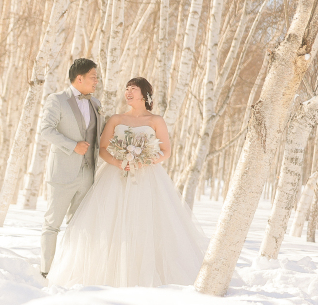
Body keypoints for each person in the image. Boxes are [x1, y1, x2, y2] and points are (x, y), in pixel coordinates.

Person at [46, 77, 208, 287]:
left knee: (147, 223)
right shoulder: (116, 118)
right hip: (116, 175)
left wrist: (145, 160)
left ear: (145, 94)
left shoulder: (155, 120)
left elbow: (166, 151)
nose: (128, 92)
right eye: (127, 89)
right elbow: (102, 149)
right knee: (111, 223)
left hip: (148, 178)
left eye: (133, 89)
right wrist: (120, 162)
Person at [38, 58, 105, 278]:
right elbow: (46, 130)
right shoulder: (56, 100)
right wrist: (72, 145)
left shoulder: (95, 103)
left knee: (79, 225)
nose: (96, 81)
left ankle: (71, 269)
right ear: (80, 78)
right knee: (52, 224)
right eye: (93, 77)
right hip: (63, 173)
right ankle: (46, 270)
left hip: (88, 174)